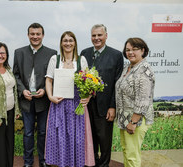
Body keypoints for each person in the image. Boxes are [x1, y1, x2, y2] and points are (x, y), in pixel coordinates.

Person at [45, 31, 95, 167]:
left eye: (70, 40)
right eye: (65, 40)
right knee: (59, 136)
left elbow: (90, 82)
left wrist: (88, 98)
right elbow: (49, 80)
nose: (68, 43)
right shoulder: (55, 60)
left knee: (77, 137)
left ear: (75, 43)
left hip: (76, 104)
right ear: (61, 43)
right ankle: (60, 163)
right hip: (58, 103)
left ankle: (76, 163)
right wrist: (50, 97)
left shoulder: (81, 60)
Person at [13, 23, 57, 167]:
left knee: (44, 132)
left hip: (44, 100)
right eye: (32, 34)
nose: (35, 37)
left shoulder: (52, 53)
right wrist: (22, 90)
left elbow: (54, 76)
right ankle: (28, 162)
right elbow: (16, 75)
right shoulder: (19, 52)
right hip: (26, 100)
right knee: (28, 133)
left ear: (43, 35)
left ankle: (44, 161)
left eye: (38, 34)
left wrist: (45, 89)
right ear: (28, 35)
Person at [80, 24, 124, 167]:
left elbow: (117, 84)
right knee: (89, 140)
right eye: (94, 35)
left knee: (104, 141)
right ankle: (91, 164)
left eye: (99, 35)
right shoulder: (84, 53)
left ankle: (104, 165)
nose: (96, 38)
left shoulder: (116, 55)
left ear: (106, 36)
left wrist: (113, 106)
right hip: (87, 106)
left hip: (105, 107)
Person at [116, 37, 155, 167]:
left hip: (135, 119)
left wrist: (133, 122)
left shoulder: (144, 70)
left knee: (132, 156)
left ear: (143, 50)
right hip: (124, 118)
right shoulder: (129, 67)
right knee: (127, 151)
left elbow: (143, 99)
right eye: (127, 50)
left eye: (134, 49)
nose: (130, 52)